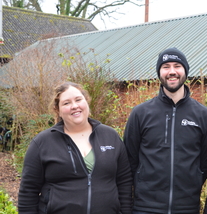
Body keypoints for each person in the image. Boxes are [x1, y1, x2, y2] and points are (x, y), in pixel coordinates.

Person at [123, 47, 207, 214]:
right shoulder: (140, 113)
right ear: (159, 72)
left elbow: (206, 161)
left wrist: (193, 180)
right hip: (145, 207)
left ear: (185, 71)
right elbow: (130, 159)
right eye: (166, 67)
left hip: (187, 207)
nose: (172, 71)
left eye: (177, 66)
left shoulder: (203, 115)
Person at [18, 82, 132, 214]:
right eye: (66, 103)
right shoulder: (42, 142)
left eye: (78, 100)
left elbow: (124, 182)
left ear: (86, 102)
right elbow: (28, 192)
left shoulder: (110, 136)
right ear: (58, 110)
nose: (75, 106)